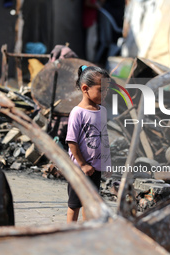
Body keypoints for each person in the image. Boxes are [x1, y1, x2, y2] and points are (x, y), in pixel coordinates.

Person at [66, 65, 112, 223]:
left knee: (90, 203)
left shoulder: (103, 111)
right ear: (85, 88)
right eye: (101, 90)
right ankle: (70, 233)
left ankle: (86, 231)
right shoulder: (77, 112)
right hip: (79, 169)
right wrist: (83, 164)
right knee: (74, 204)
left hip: (95, 169)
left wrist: (107, 163)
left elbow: (104, 138)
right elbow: (72, 141)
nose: (104, 94)